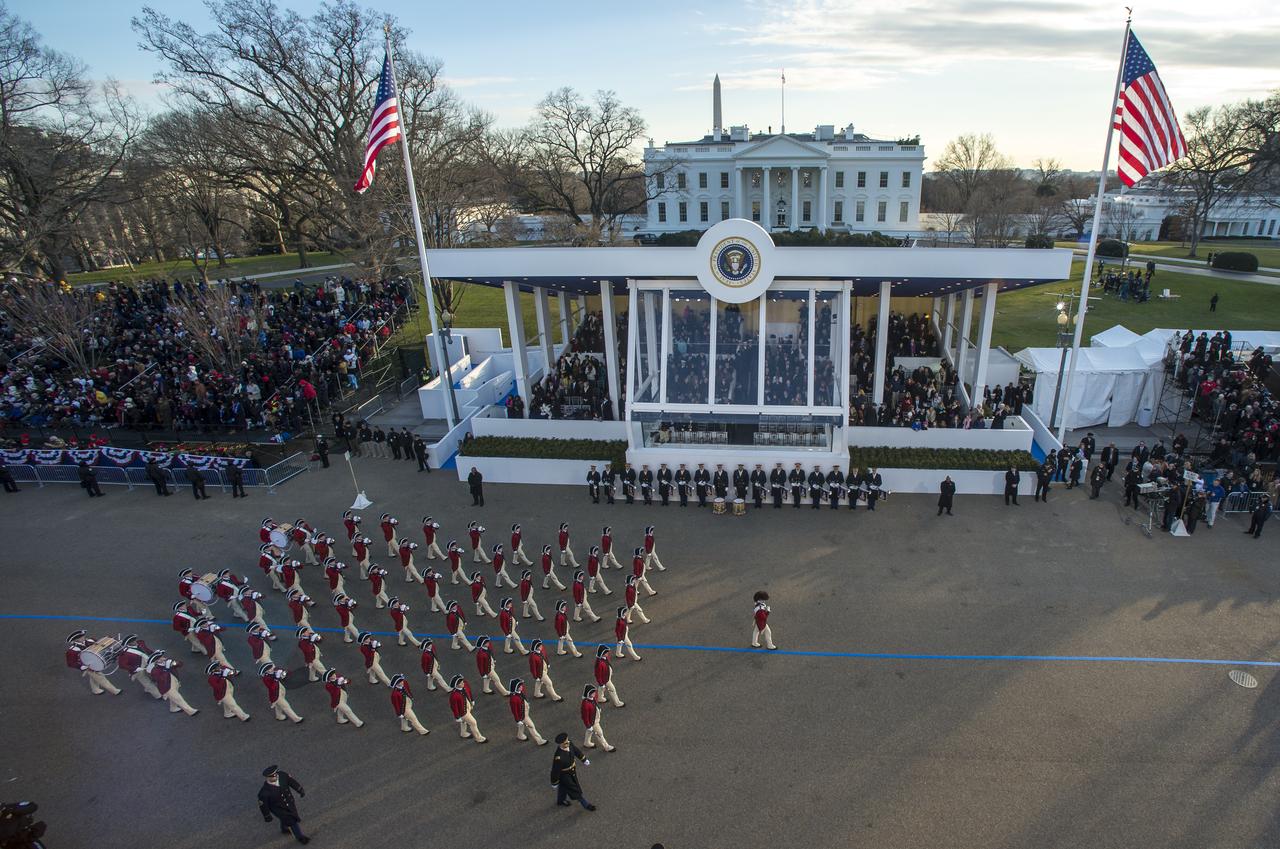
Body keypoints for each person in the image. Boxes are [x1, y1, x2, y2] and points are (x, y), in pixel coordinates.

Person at [257, 766, 310, 844]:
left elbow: (291, 782)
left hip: (290, 803)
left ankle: (284, 829)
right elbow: (263, 806)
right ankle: (300, 837)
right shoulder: (264, 793)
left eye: (276, 774)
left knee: (286, 819)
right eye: (273, 776)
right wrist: (267, 816)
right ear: (267, 778)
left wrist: (299, 789)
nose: (276, 776)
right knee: (292, 822)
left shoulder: (282, 776)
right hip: (279, 809)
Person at [550, 732, 596, 810]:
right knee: (574, 789)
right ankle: (586, 805)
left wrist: (583, 759)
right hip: (564, 775)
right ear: (560, 744)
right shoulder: (559, 757)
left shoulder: (569, 744)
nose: (567, 743)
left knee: (563, 788)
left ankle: (561, 800)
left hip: (572, 771)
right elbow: (555, 771)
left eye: (567, 741)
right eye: (565, 743)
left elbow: (576, 750)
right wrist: (554, 782)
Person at [448, 675, 487, 743]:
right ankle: (479, 738)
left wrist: (472, 700)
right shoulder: (454, 696)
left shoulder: (465, 685)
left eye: (462, 681)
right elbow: (454, 707)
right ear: (456, 685)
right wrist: (457, 717)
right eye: (460, 683)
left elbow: (469, 692)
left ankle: (463, 733)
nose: (463, 683)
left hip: (468, 706)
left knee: (464, 721)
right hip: (463, 712)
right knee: (473, 723)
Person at [509, 678, 548, 745]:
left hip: (525, 712)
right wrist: (518, 720)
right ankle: (539, 740)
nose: (522, 687)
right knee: (531, 726)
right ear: (516, 688)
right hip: (523, 716)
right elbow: (514, 711)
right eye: (520, 686)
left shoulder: (519, 692)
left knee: (521, 726)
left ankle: (520, 735)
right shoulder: (513, 699)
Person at [580, 685, 616, 752]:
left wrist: (598, 708)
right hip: (593, 722)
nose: (595, 694)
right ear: (588, 694)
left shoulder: (592, 698)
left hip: (595, 718)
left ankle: (587, 743)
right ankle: (606, 747)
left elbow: (595, 703)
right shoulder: (585, 705)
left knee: (590, 731)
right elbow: (585, 717)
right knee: (599, 733)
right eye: (592, 693)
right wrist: (588, 725)